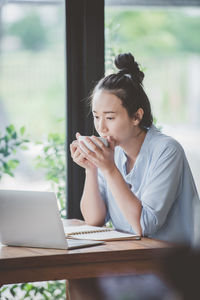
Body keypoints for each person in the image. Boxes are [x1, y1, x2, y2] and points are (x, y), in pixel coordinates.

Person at [70, 52, 200, 246]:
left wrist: (109, 169)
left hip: (174, 266)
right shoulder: (112, 151)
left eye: (110, 117)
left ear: (137, 116)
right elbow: (94, 220)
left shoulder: (167, 150)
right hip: (132, 256)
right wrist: (92, 168)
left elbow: (144, 225)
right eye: (97, 117)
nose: (101, 127)